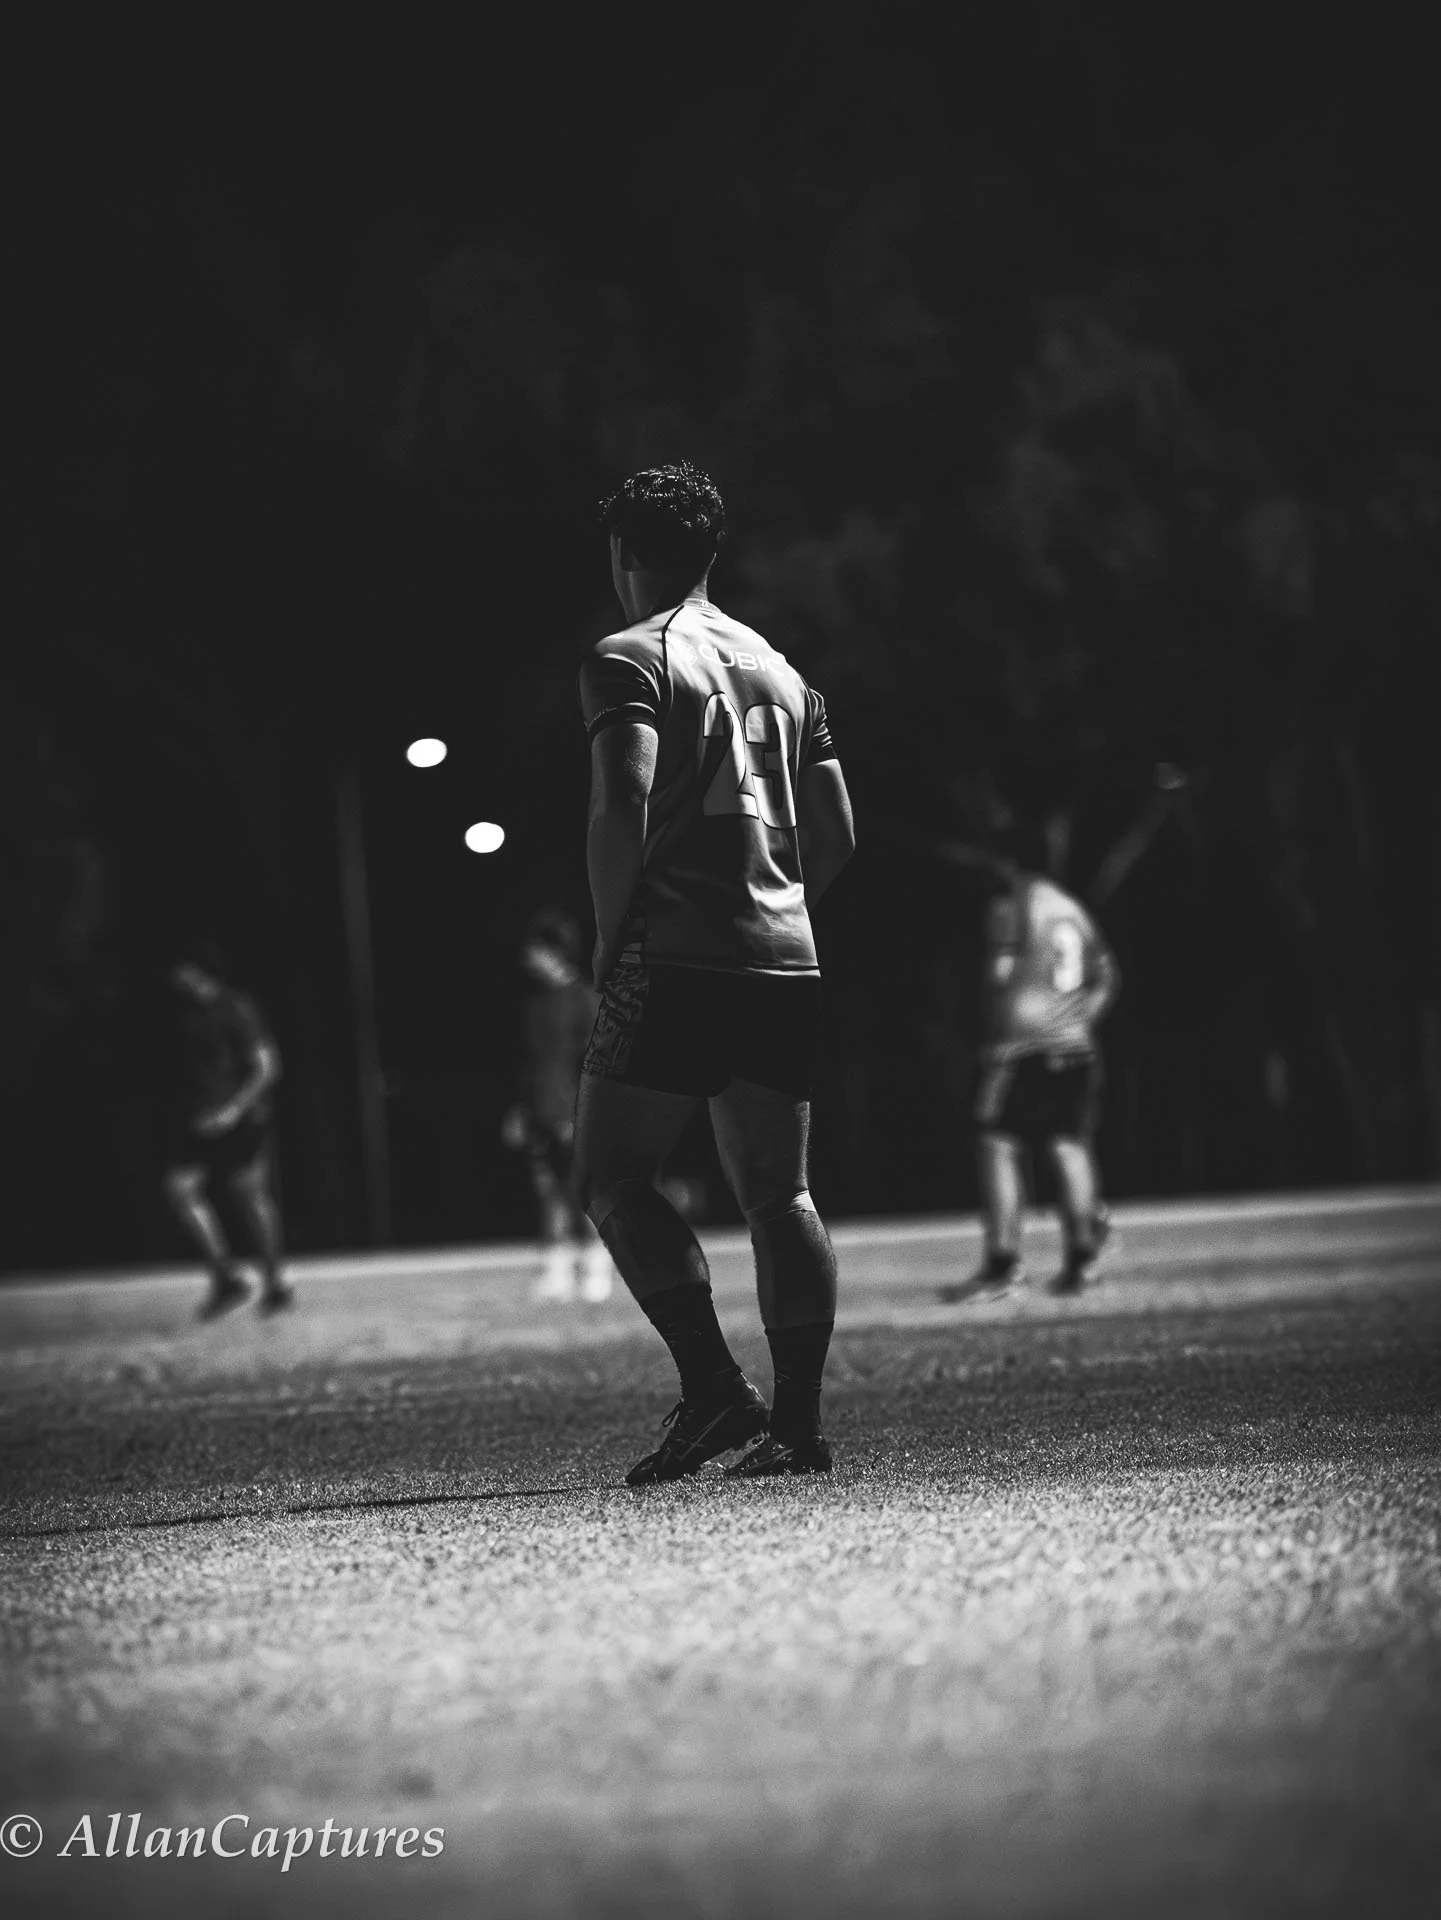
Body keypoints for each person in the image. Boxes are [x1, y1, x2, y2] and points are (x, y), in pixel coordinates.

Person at [573, 462, 855, 1484]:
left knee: (611, 1176)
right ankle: (798, 1428)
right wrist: (774, 903)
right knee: (780, 1192)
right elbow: (836, 831)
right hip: (784, 956)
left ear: (622, 553)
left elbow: (622, 802)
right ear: (711, 551)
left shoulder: (627, 657)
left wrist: (611, 934)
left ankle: (714, 1388)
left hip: (675, 950)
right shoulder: (782, 670)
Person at [941, 833, 1120, 1302]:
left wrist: (995, 1028)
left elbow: (1000, 975)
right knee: (1069, 1145)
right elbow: (1106, 976)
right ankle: (1083, 1257)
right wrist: (1076, 1020)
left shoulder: (1011, 904)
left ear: (1007, 863)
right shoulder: (1072, 908)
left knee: (997, 1143)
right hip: (1075, 1046)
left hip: (1021, 1049)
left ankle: (1003, 1264)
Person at [153, 937, 292, 1317]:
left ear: (196, 968)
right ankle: (225, 1276)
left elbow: (267, 1066)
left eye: (178, 968)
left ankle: (275, 1284)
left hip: (241, 1119)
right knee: (180, 1190)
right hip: (198, 1120)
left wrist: (233, 1110)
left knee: (249, 1196)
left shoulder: (234, 1007)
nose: (172, 977)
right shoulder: (181, 1015)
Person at [502, 909, 616, 1304]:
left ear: (554, 951)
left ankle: (597, 1270)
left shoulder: (584, 999)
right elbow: (527, 1064)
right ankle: (557, 1272)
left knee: (583, 1192)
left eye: (534, 949)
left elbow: (596, 1063)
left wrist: (581, 1111)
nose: (527, 958)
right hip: (540, 1111)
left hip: (574, 1112)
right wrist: (520, 1110)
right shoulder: (533, 1004)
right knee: (548, 1192)